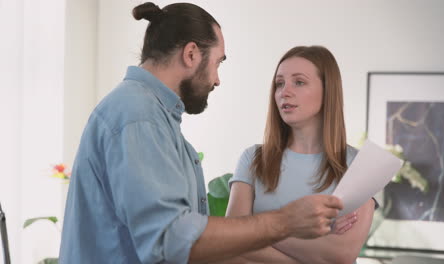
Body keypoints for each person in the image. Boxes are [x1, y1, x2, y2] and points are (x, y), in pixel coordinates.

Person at [59, 3, 348, 264]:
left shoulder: (152, 117)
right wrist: (285, 222)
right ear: (191, 54)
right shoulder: (139, 117)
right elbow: (169, 241)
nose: (217, 80)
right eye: (218, 62)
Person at [226, 46, 376, 264]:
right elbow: (231, 240)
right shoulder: (253, 158)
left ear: (328, 90)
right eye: (279, 83)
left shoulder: (359, 165)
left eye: (299, 82)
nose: (284, 92)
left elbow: (340, 254)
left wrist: (255, 229)